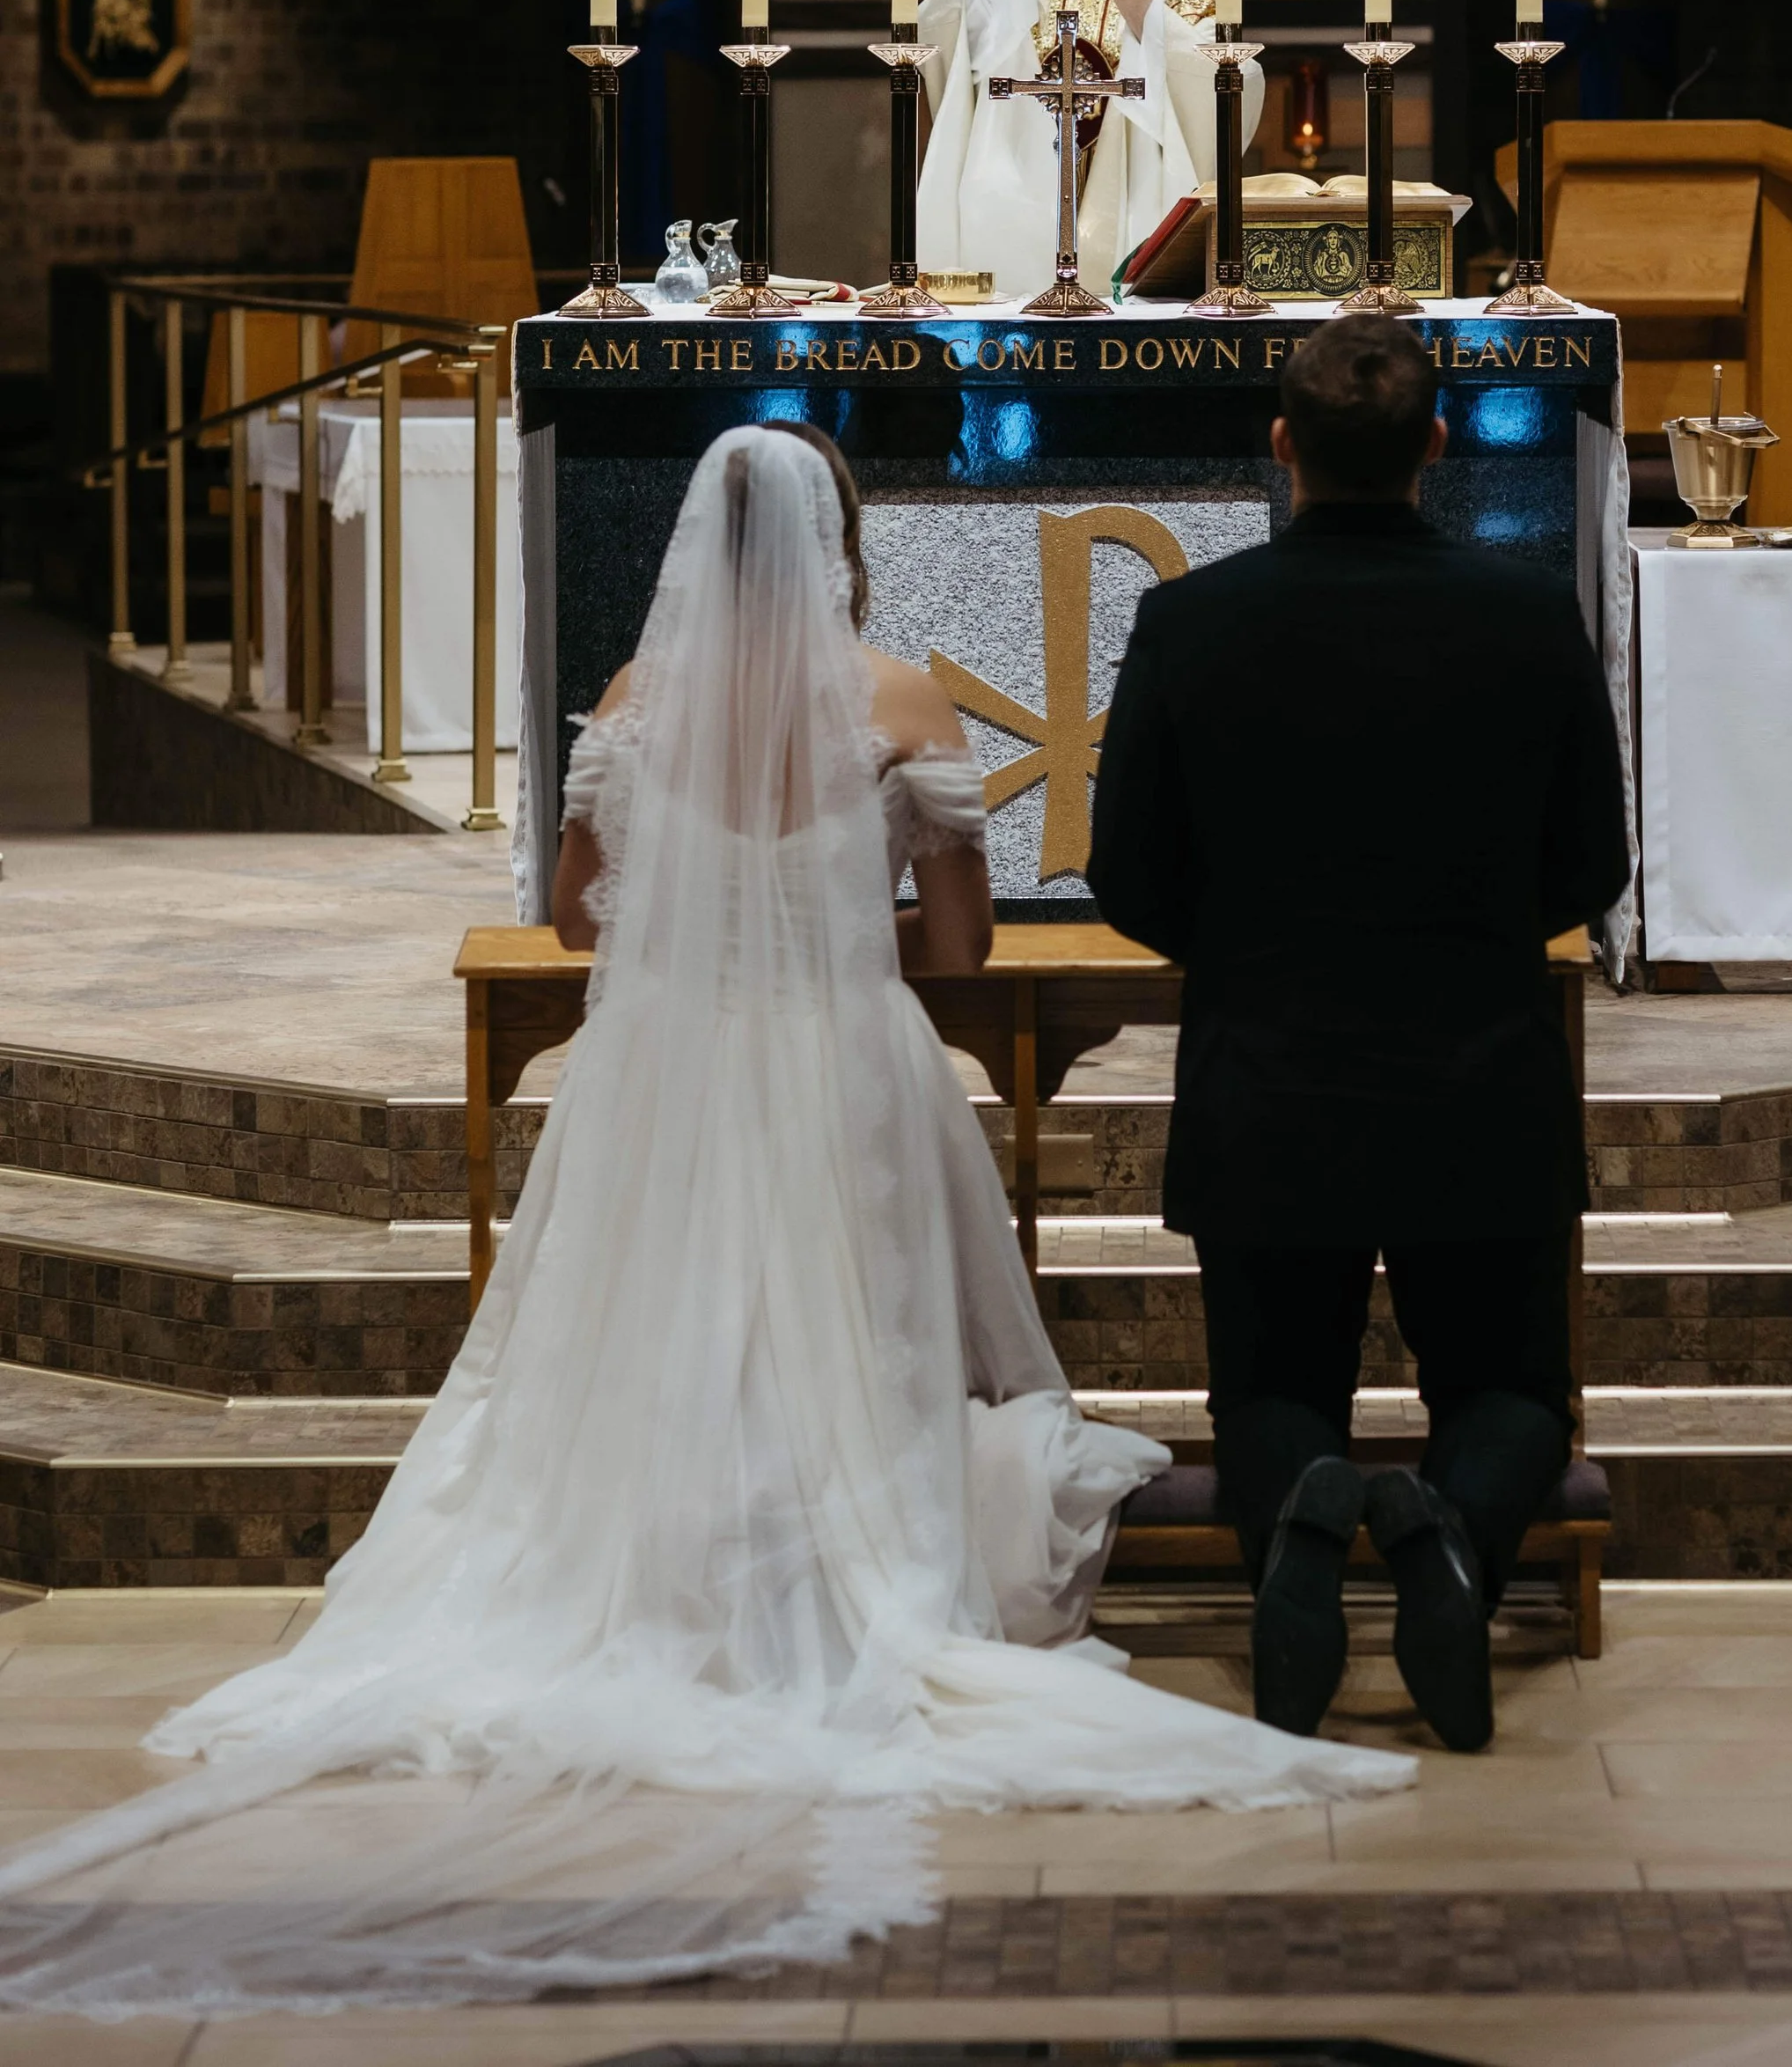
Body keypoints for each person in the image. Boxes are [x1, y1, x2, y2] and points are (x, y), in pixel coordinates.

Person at [0, 425, 1406, 2018]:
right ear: (841, 544)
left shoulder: (632, 703)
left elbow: (573, 915)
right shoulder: (898, 704)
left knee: (667, 1334)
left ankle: (670, 1571)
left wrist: (714, 920)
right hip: (843, 1067)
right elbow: (958, 945)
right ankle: (830, 1567)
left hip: (661, 1071)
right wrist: (833, 915)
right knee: (853, 1343)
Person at [1086, 316, 1631, 1755]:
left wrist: (1256, 952)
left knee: (1270, 1384)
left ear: (1282, 449)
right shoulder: (1527, 617)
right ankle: (1448, 1535)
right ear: (1435, 450)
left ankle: (1311, 1529)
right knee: (1510, 1385)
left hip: (1269, 1066)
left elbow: (1123, 870)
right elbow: (1595, 868)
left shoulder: (1192, 623)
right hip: (1481, 1064)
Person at [915, 0, 1262, 305]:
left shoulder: (1179, 5)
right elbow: (933, 33)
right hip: (1014, 243)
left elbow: (1230, 84)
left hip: (1134, 228)